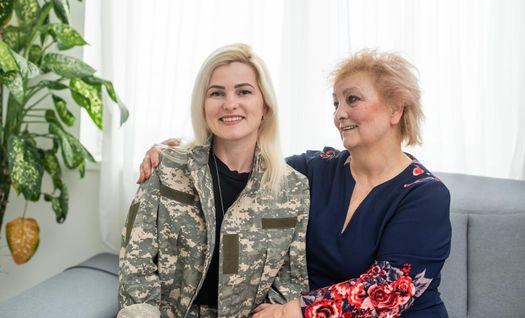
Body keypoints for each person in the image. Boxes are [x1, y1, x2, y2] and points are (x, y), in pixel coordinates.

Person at [139, 49, 452, 317]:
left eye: (352, 99)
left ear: (396, 108)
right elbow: (240, 160)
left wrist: (292, 311)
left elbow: (391, 290)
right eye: (335, 103)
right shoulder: (315, 169)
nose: (339, 114)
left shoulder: (425, 195)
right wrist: (175, 154)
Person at [119, 43, 310, 318]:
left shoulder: (292, 188)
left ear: (265, 106)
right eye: (216, 93)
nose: (230, 103)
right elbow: (136, 265)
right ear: (203, 105)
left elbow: (289, 284)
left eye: (244, 91)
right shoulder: (167, 168)